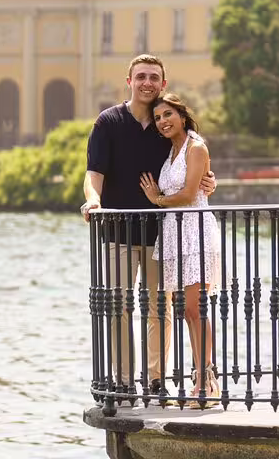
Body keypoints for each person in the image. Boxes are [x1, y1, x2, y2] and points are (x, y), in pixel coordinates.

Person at [81, 54, 216, 395]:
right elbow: (94, 173)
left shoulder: (165, 124)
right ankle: (125, 381)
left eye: (154, 77)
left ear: (163, 84)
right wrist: (93, 200)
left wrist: (209, 182)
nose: (147, 82)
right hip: (118, 231)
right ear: (129, 81)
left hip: (163, 234)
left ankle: (156, 380)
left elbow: (191, 165)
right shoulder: (107, 122)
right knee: (120, 306)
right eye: (140, 76)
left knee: (160, 309)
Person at [139, 93, 220, 407]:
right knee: (186, 311)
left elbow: (188, 194)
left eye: (168, 114)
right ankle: (201, 377)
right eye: (158, 117)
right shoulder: (171, 151)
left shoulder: (196, 147)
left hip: (194, 232)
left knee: (196, 309)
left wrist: (156, 199)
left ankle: (206, 380)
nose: (163, 121)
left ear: (182, 116)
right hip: (173, 234)